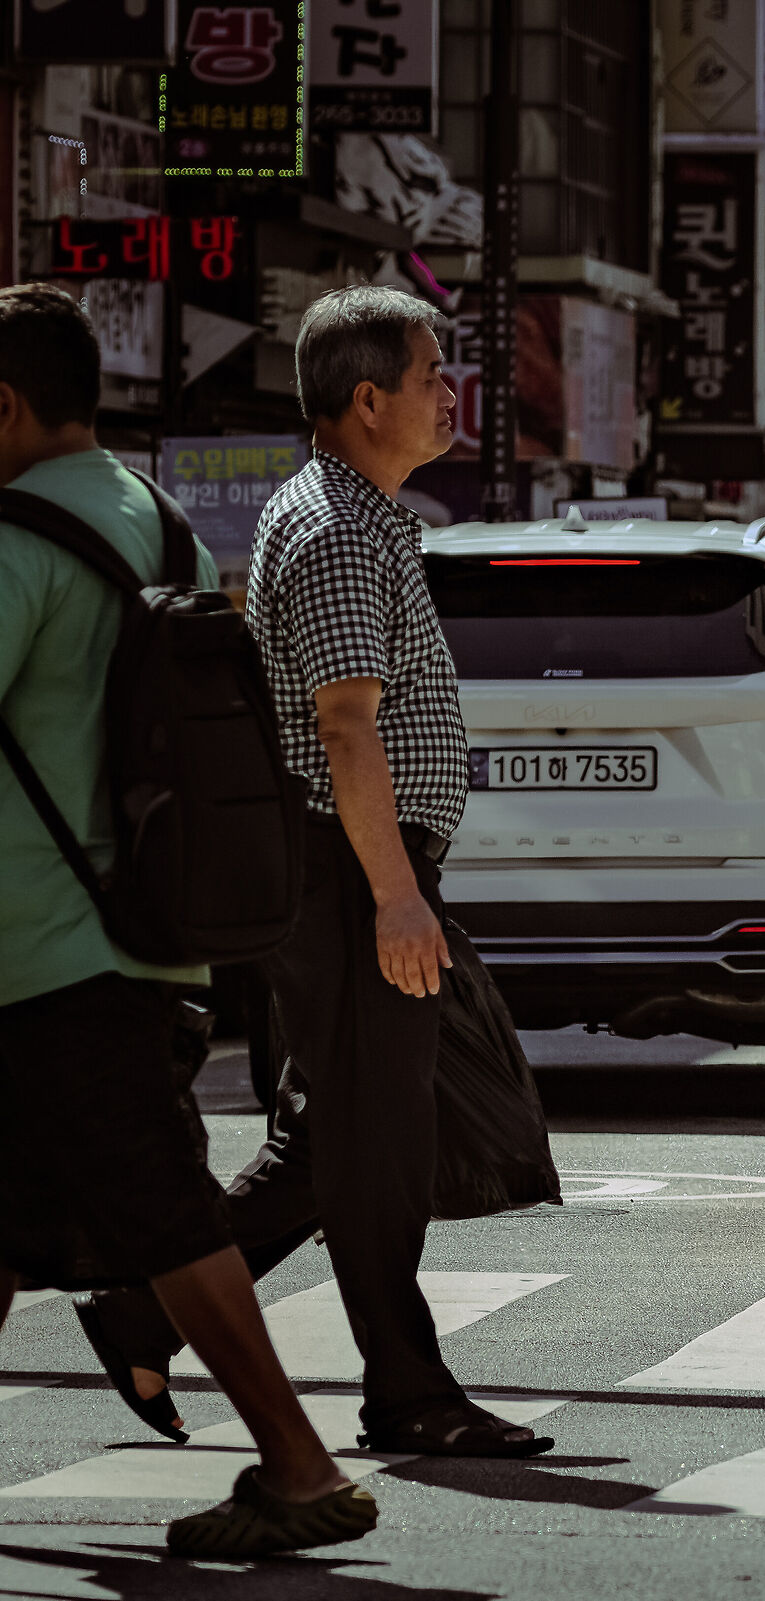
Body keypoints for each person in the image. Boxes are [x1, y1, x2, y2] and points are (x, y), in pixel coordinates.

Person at [76, 286, 551, 1459]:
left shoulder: (366, 514)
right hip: (346, 871)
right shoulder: (339, 527)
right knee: (377, 1140)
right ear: (367, 397)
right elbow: (346, 726)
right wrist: (394, 893)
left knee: (323, 1138)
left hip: (361, 868)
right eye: (435, 373)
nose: (453, 393)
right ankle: (406, 1387)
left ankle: (140, 1307)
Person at [0, 283, 378, 1557]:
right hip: (151, 932)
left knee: (166, 1207)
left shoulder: (13, 543)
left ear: (4, 404)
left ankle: (297, 1461)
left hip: (44, 948)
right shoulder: (154, 521)